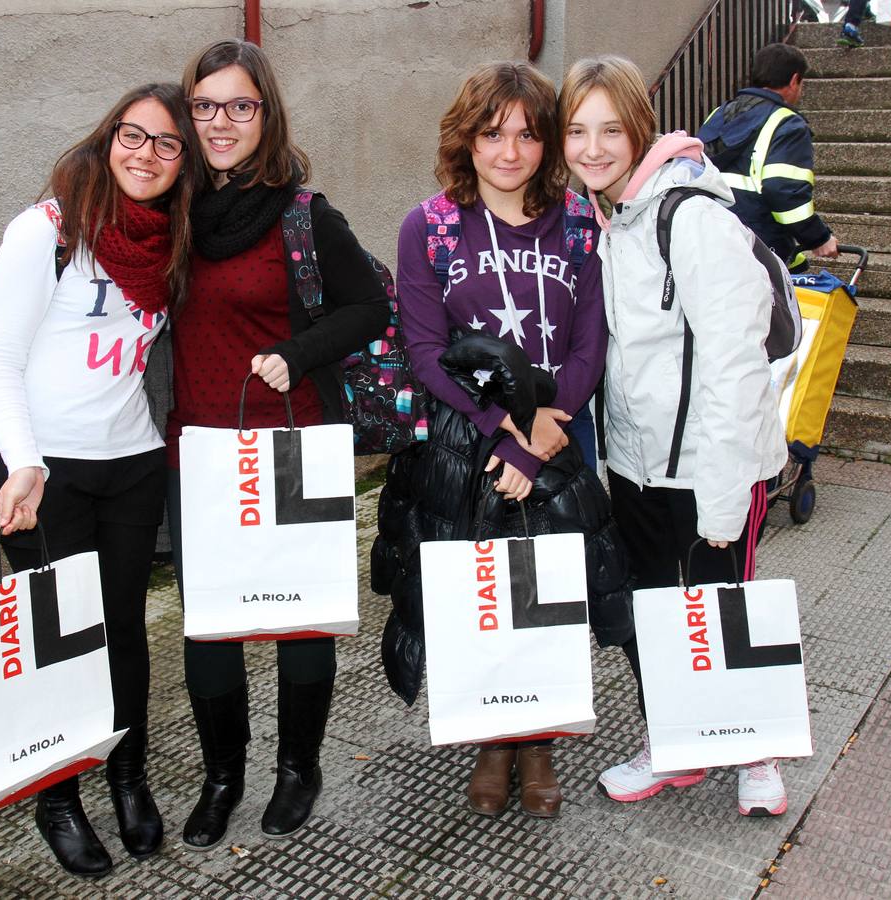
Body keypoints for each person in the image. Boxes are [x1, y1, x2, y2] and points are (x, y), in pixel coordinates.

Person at [374, 61, 632, 819]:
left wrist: (538, 440)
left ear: (547, 143)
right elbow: (424, 351)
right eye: (493, 134)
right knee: (479, 590)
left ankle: (540, 737)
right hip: (468, 441)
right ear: (468, 139)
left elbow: (591, 344)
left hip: (557, 436)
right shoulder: (431, 227)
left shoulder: (581, 224)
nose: (511, 151)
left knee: (546, 588)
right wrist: (503, 434)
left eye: (527, 134)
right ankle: (493, 736)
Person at [0, 83, 201, 876]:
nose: (146, 153)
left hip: (130, 463)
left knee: (125, 631)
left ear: (183, 162)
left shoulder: (169, 239)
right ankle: (60, 797)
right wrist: (25, 462)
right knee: (59, 643)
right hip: (47, 470)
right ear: (108, 140)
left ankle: (129, 777)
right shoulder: (49, 229)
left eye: (167, 143)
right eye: (133, 136)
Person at [168, 39, 388, 850]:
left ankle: (300, 768)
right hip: (196, 454)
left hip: (293, 446)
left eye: (240, 106)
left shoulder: (304, 214)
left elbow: (369, 307)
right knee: (210, 627)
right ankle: (222, 776)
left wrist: (296, 353)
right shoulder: (170, 207)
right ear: (186, 112)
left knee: (303, 620)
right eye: (204, 106)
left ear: (267, 113)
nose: (221, 122)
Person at [559, 56, 790, 817]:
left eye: (610, 130)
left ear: (639, 130)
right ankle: (677, 744)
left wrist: (724, 500)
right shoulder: (609, 219)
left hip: (711, 470)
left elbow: (734, 365)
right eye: (577, 131)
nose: (592, 148)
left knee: (725, 608)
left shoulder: (690, 218)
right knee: (657, 612)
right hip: (638, 467)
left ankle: (755, 751)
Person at [697, 43, 838, 272]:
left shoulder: (721, 113)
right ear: (794, 80)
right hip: (757, 243)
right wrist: (819, 238)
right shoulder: (787, 123)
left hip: (708, 233)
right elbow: (783, 190)